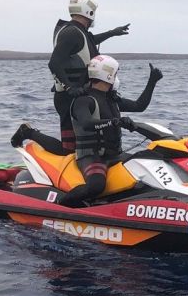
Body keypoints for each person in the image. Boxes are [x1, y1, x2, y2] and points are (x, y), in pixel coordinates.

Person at [61, 55, 162, 206]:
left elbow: (139, 106)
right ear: (107, 74)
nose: (116, 78)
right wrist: (115, 122)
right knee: (96, 186)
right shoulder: (83, 100)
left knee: (147, 162)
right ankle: (60, 204)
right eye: (115, 74)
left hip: (114, 155)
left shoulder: (111, 99)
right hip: (91, 157)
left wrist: (152, 82)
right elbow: (87, 124)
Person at [48, 0, 131, 154]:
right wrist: (69, 87)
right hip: (68, 97)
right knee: (70, 149)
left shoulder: (78, 32)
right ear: (89, 12)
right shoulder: (71, 33)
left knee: (84, 144)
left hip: (78, 94)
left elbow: (90, 40)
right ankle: (29, 133)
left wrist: (112, 32)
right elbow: (54, 63)